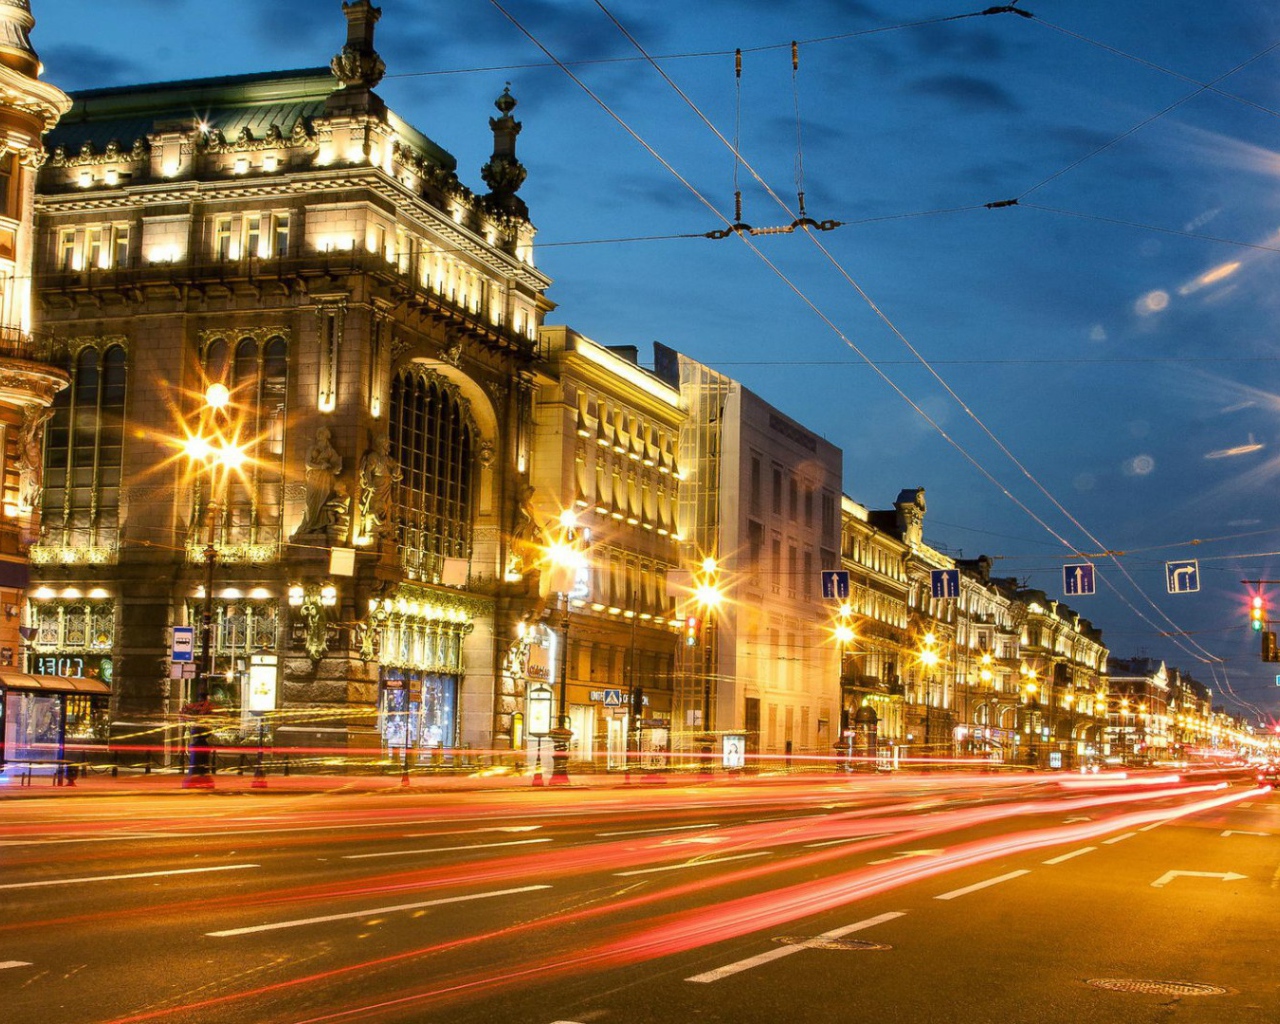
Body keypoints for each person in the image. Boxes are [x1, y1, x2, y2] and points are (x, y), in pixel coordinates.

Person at [294, 426, 342, 537]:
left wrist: (336, 468)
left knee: (323, 500)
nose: (319, 436)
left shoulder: (330, 450)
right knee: (310, 502)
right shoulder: (312, 448)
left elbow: (336, 463)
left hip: (325, 479)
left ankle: (319, 526)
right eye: (319, 433)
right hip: (313, 477)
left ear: (326, 436)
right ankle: (309, 525)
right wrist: (321, 466)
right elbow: (308, 464)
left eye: (322, 433)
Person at [359, 434, 400, 539]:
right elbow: (367, 470)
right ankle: (372, 528)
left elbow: (396, 473)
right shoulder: (374, 456)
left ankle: (385, 528)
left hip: (387, 484)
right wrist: (370, 483)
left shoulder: (389, 459)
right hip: (377, 484)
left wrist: (396, 472)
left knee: (387, 506)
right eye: (386, 443)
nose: (388, 445)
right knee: (375, 505)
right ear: (381, 444)